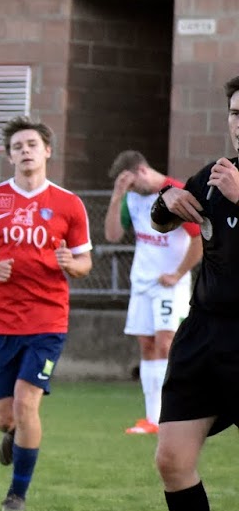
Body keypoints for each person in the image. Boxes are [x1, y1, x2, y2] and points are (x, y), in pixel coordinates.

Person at [139, 75, 239, 511]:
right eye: (235, 113)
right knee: (172, 458)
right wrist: (167, 200)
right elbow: (163, 220)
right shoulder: (216, 175)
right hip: (203, 335)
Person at [0, 117, 92, 511]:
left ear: (47, 151)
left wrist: (72, 264)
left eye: (32, 144)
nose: (26, 151)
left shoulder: (68, 203)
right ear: (9, 156)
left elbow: (85, 262)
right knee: (4, 416)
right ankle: (13, 433)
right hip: (2, 320)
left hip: (48, 321)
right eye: (18, 146)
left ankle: (17, 495)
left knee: (26, 402)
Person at [105, 151, 201, 435]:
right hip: (142, 283)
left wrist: (178, 274)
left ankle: (173, 413)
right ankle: (152, 418)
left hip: (169, 285)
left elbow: (199, 239)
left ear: (142, 171)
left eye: (133, 184)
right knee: (147, 345)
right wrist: (117, 196)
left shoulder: (177, 193)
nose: (132, 190)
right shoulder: (131, 197)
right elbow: (112, 235)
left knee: (165, 343)